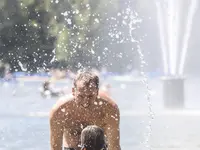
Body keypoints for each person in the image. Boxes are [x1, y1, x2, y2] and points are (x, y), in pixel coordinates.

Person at [49, 70, 120, 150]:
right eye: (81, 96)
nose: (85, 102)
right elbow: (55, 147)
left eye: (90, 96)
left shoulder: (109, 109)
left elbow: (114, 145)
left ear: (97, 92)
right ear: (73, 91)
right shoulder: (60, 111)